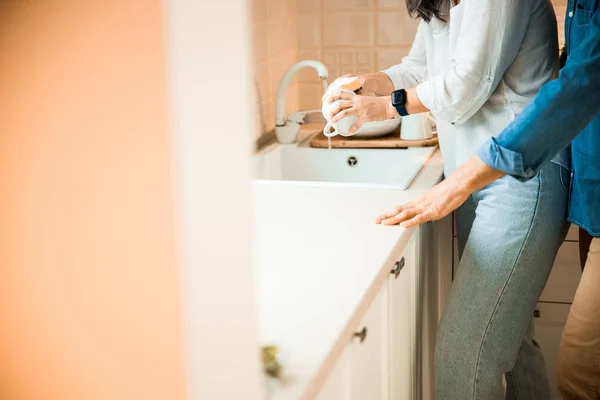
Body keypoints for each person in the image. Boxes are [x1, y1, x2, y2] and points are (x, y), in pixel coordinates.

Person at [323, 0, 570, 398]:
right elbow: (418, 68)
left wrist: (385, 106)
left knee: (464, 354)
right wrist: (368, 84)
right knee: (512, 346)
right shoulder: (441, 2)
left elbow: (466, 85)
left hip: (521, 176)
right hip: (469, 177)